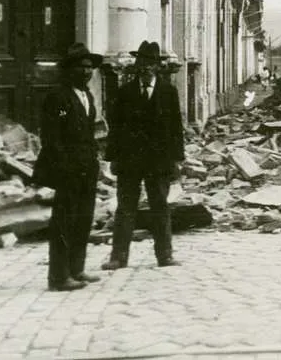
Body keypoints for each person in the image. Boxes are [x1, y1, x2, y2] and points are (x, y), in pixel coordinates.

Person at [102, 41, 185, 269]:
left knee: (160, 207)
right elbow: (116, 128)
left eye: (151, 64)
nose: (146, 68)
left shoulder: (168, 92)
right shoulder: (124, 93)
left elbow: (176, 129)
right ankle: (118, 257)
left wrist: (177, 160)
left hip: (159, 162)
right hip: (130, 161)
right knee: (125, 208)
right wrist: (113, 159)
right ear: (137, 66)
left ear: (157, 67)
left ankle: (164, 255)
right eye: (142, 63)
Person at [32, 42, 104, 291]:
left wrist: (94, 159)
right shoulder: (59, 97)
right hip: (68, 169)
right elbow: (52, 138)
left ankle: (77, 268)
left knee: (83, 219)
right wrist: (64, 167)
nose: (86, 72)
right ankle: (59, 277)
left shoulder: (87, 96)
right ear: (69, 70)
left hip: (87, 167)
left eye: (89, 68)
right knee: (64, 222)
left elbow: (88, 131)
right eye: (80, 67)